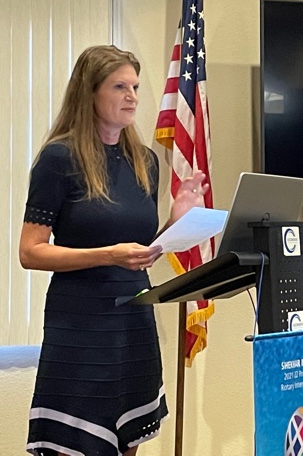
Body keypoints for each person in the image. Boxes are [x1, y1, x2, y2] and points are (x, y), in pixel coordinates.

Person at [19, 45, 209, 456]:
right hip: (80, 325)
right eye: (120, 87)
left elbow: (141, 250)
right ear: (89, 92)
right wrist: (107, 254)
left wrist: (176, 220)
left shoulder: (144, 161)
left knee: (128, 442)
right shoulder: (59, 158)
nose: (132, 97)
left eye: (135, 87)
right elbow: (30, 252)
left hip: (134, 322)